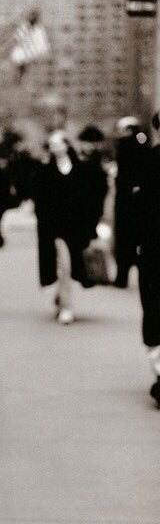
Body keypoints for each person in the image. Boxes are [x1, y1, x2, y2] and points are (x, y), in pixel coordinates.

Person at [34, 130, 94, 325]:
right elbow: (40, 200)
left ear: (66, 145)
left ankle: (60, 295)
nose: (53, 147)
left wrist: (91, 223)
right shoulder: (46, 170)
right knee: (64, 266)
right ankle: (67, 308)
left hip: (76, 226)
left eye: (57, 143)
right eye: (51, 144)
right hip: (55, 227)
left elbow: (89, 197)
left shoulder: (81, 168)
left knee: (71, 266)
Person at [113, 116, 150, 288]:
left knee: (123, 240)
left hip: (125, 199)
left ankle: (122, 277)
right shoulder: (143, 145)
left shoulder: (124, 146)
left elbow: (123, 174)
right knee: (138, 239)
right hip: (139, 199)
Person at [139, 112, 160, 405]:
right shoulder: (150, 160)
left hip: (153, 248)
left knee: (155, 307)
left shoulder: (149, 160)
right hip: (154, 248)